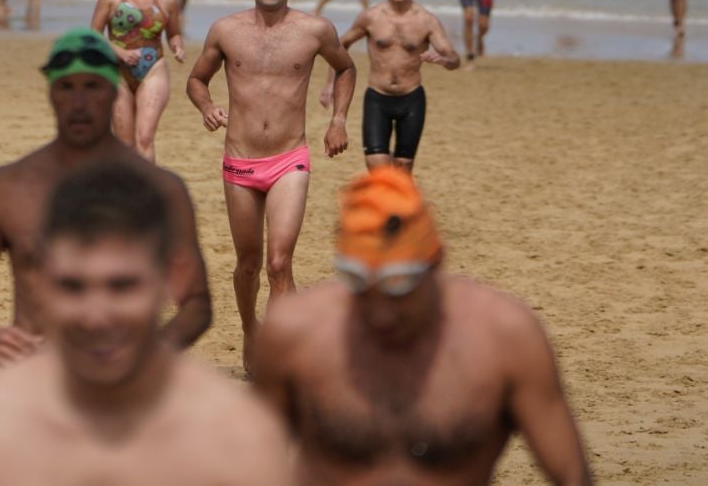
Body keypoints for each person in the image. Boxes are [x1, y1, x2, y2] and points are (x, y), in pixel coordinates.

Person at [0, 164, 291, 486]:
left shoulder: (238, 438)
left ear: (169, 280)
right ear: (41, 282)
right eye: (72, 286)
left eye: (122, 286)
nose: (96, 316)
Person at [253, 167, 593, 485]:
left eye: (399, 291)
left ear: (436, 262)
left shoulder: (505, 337)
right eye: (361, 291)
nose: (381, 314)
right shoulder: (294, 335)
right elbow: (249, 462)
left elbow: (571, 475)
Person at [0, 28, 211, 365]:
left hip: (123, 386)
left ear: (113, 91)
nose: (79, 103)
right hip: (36, 379)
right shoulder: (8, 187)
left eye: (92, 87)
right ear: (51, 93)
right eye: (67, 87)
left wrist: (153, 351)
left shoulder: (158, 189)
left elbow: (197, 302)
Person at [187, 0, 356, 371]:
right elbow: (197, 79)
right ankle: (250, 331)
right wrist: (207, 107)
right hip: (240, 161)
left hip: (289, 159)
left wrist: (338, 119)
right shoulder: (226, 30)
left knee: (281, 263)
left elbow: (347, 67)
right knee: (249, 264)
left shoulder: (314, 30)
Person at [320, 0, 459, 172]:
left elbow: (454, 59)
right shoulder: (372, 17)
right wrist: (330, 85)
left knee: (403, 170)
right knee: (378, 170)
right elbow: (341, 45)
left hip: (411, 98)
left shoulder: (426, 20)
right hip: (377, 98)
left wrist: (443, 60)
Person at [89, 0, 183, 161]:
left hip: (153, 70)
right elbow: (93, 35)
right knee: (124, 142)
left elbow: (174, 33)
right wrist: (119, 52)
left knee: (145, 138)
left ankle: (146, 192)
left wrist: (177, 46)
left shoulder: (167, 0)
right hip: (116, 72)